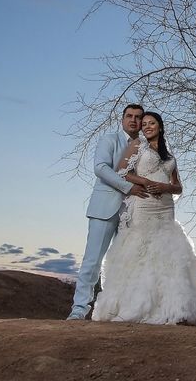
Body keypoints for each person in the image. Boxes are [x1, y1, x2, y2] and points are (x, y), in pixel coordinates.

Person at [91, 112, 196, 328]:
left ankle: (177, 309)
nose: (147, 127)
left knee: (169, 254)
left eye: (151, 123)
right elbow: (122, 172)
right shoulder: (136, 146)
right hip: (144, 205)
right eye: (144, 124)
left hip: (165, 208)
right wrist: (144, 181)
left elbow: (179, 186)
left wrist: (166, 187)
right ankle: (136, 306)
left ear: (160, 127)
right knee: (142, 251)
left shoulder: (170, 156)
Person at [67, 104, 148, 320]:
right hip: (104, 207)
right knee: (93, 261)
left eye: (138, 117)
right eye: (129, 116)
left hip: (134, 211)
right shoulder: (109, 140)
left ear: (143, 121)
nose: (133, 120)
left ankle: (118, 311)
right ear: (122, 119)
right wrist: (128, 187)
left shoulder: (147, 146)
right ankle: (79, 310)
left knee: (126, 263)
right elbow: (100, 168)